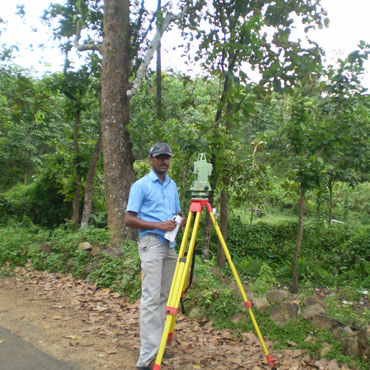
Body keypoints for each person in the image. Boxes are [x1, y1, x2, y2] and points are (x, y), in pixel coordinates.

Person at [124, 142, 185, 370]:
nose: (163, 161)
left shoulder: (172, 186)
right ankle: (147, 358)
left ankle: (157, 348)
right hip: (151, 243)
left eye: (166, 157)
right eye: (159, 157)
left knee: (165, 298)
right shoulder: (141, 186)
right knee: (151, 299)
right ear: (150, 160)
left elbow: (175, 213)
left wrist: (180, 220)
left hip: (169, 245)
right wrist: (158, 225)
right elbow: (129, 219)